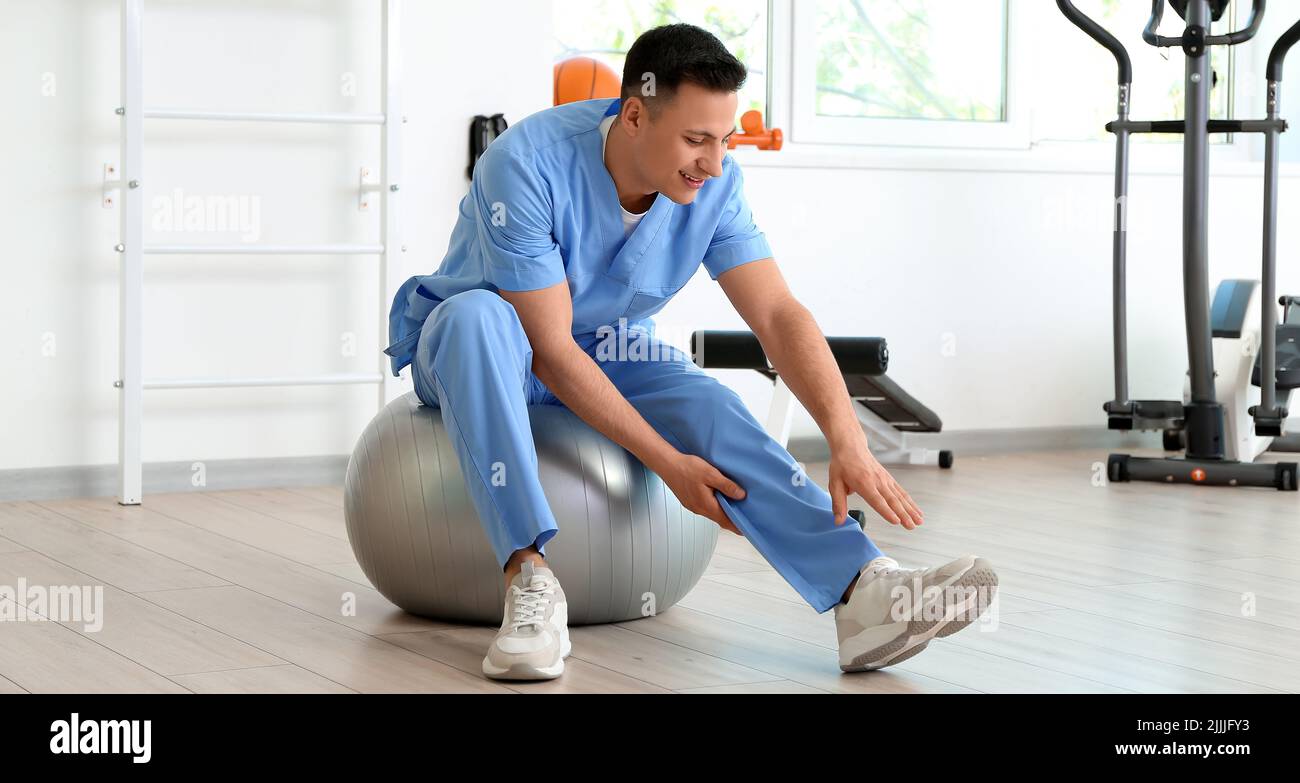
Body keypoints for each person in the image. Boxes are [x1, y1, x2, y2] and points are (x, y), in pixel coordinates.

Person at [384, 23, 998, 681]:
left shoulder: (716, 185)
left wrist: (845, 437)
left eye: (724, 139)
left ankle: (864, 590)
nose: (712, 160)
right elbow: (549, 350)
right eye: (696, 139)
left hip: (604, 347)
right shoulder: (525, 163)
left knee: (707, 400)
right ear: (635, 114)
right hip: (480, 344)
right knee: (481, 317)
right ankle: (528, 578)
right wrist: (669, 465)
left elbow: (778, 314)